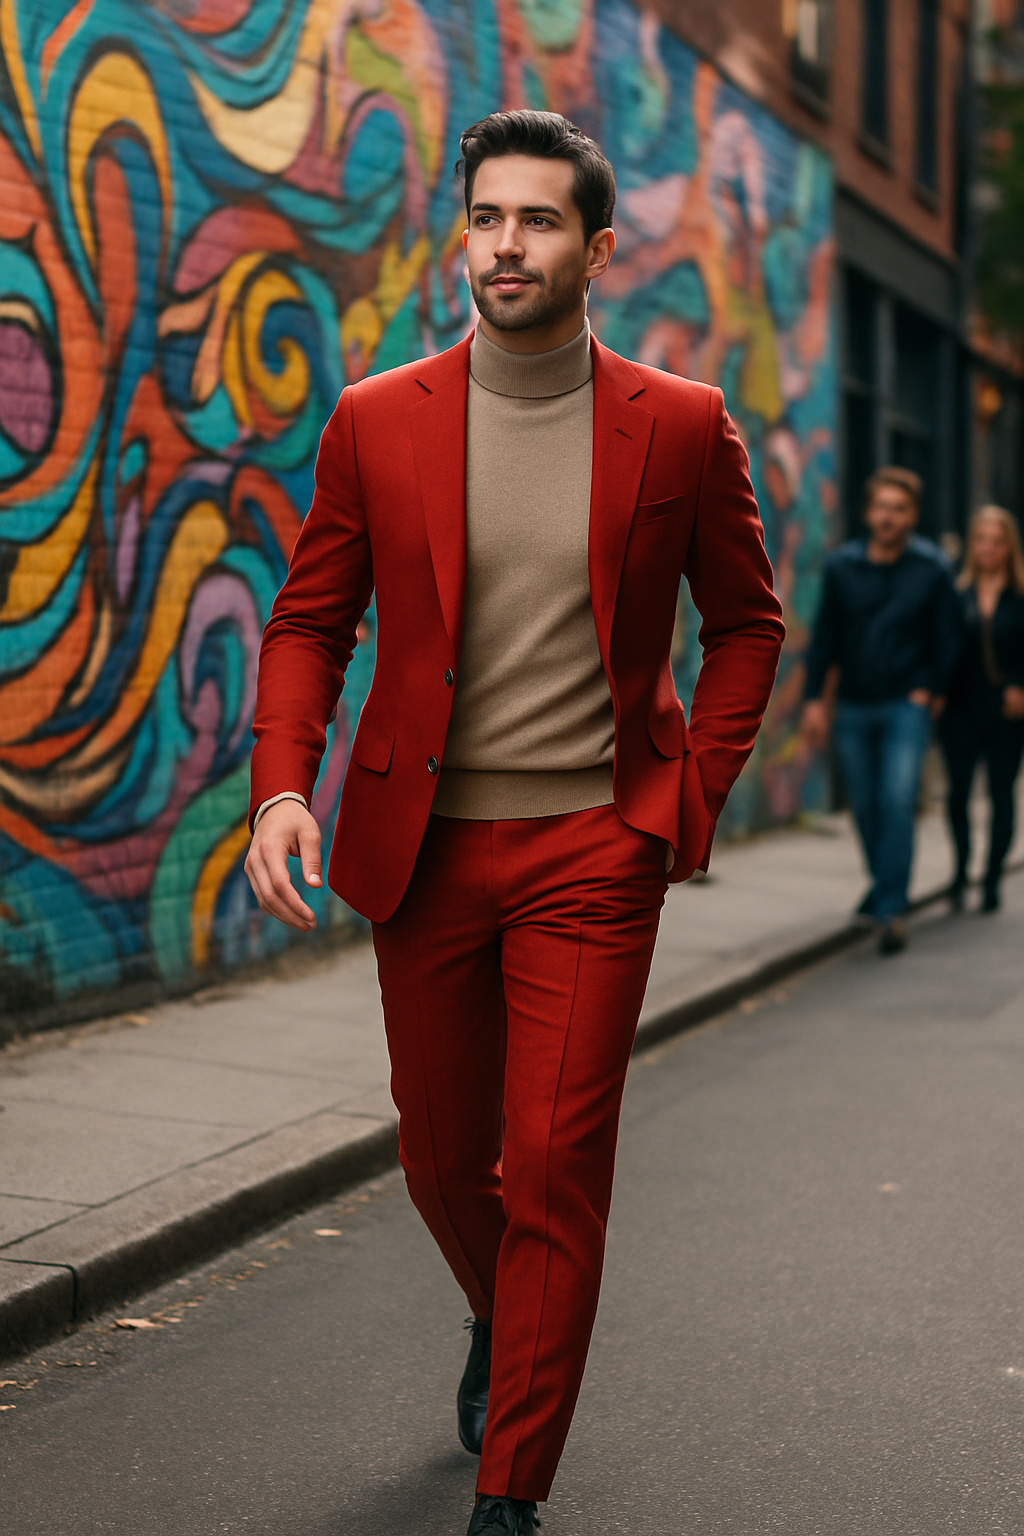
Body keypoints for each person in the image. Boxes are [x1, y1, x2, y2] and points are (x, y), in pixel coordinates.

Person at [244, 110, 784, 1536]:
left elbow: (746, 627)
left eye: (539, 221)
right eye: (487, 216)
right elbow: (310, 620)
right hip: (420, 854)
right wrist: (282, 789)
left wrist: (691, 791)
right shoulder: (378, 419)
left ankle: (512, 1493)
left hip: (596, 852)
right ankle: (503, 1309)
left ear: (597, 248)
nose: (506, 243)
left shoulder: (679, 423)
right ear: (460, 233)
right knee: (439, 1158)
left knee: (554, 1164)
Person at [801, 467, 960, 955]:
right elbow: (824, 637)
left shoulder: (932, 569)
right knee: (866, 806)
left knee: (897, 799)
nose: (888, 517)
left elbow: (949, 638)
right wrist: (812, 700)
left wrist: (931, 690)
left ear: (912, 515)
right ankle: (885, 887)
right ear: (869, 512)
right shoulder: (842, 567)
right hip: (852, 703)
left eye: (899, 508)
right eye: (882, 507)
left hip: (904, 705)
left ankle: (890, 909)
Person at [939, 505, 1024, 912]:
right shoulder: (957, 594)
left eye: (997, 540)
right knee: (957, 795)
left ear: (1010, 547)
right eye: (981, 539)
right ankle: (960, 872)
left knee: (1001, 795)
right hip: (960, 708)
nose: (988, 547)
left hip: (1008, 712)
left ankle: (992, 877)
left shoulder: (1020, 597)